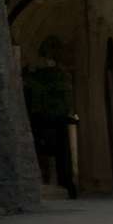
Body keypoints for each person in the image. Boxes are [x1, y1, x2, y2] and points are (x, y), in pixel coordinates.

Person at [23, 61, 76, 196]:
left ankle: (44, 182)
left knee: (42, 151)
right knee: (63, 154)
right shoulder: (61, 78)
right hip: (57, 119)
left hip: (40, 119)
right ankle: (67, 185)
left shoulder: (34, 78)